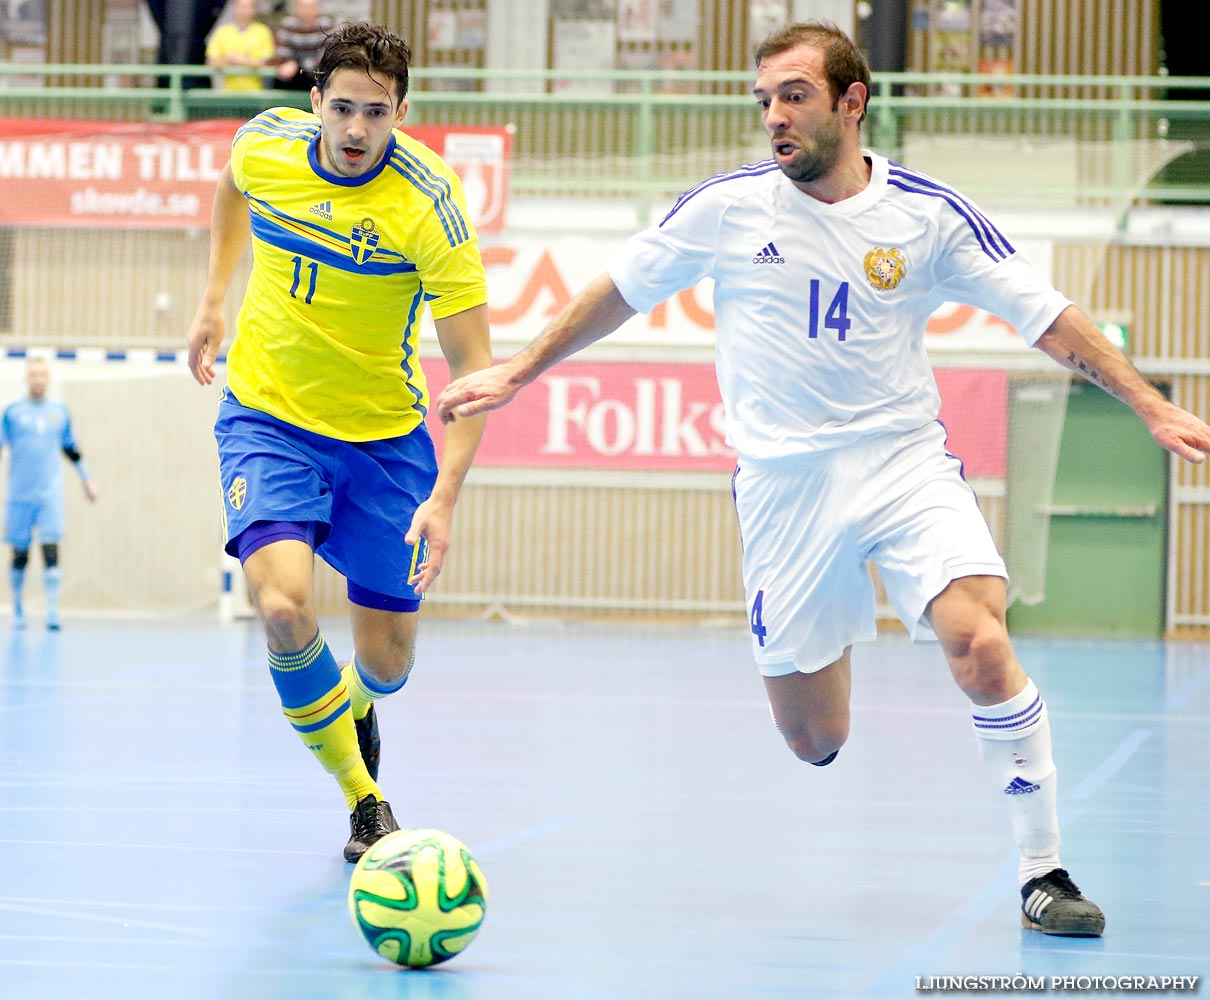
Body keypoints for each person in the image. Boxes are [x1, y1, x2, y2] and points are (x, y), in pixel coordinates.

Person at [436, 20, 1210, 937]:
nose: (774, 115)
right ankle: (841, 640)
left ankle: (1043, 871)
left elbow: (1046, 317)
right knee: (815, 740)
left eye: (794, 94)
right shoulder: (726, 209)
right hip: (784, 488)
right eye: (763, 98)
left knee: (980, 643)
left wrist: (1150, 404)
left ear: (853, 101)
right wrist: (520, 370)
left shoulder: (928, 216)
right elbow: (619, 288)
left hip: (902, 464)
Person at [186, 21, 492, 861]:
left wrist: (443, 499)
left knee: (388, 665)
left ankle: (357, 702)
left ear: (401, 113)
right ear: (315, 101)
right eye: (345, 108)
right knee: (282, 605)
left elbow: (472, 375)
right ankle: (366, 800)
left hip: (383, 443)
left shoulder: (427, 204)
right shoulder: (268, 143)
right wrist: (214, 299)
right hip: (268, 419)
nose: (358, 130)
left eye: (378, 113)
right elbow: (232, 186)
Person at [2, 358, 100, 630]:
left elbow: (71, 449)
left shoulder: (59, 412)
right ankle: (19, 609)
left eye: (42, 375)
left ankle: (52, 612)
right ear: (27, 378)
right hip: (19, 495)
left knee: (51, 549)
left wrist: (87, 480)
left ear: (48, 378)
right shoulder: (12, 412)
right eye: (33, 374)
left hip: (49, 495)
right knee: (19, 552)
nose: (38, 379)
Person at [206, 0, 276, 93]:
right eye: (241, 7)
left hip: (255, 93)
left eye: (248, 7)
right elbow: (211, 61)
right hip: (228, 92)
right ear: (235, 8)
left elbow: (266, 61)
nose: (244, 11)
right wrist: (226, 59)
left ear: (254, 9)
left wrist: (240, 60)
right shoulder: (222, 32)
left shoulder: (263, 32)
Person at [274, 0, 334, 91]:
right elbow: (282, 52)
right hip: (293, 75)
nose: (307, 11)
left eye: (310, 7)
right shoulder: (287, 25)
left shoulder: (326, 26)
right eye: (303, 7)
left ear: (317, 9)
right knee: (282, 77)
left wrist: (300, 64)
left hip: (317, 74)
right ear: (296, 8)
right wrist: (288, 62)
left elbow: (328, 55)